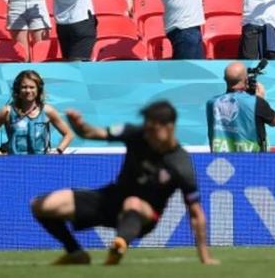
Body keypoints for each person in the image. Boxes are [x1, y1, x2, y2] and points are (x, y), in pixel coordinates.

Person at [31, 100, 215, 266]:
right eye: (147, 128)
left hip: (145, 215)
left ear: (169, 127)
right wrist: (79, 126)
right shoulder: (135, 134)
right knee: (40, 205)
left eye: (153, 130)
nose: (148, 134)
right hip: (111, 198)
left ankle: (119, 245)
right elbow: (92, 133)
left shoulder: (181, 163)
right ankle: (75, 253)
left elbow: (196, 213)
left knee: (132, 202)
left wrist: (204, 256)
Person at [0, 70, 73, 155]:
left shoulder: (47, 111)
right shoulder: (7, 111)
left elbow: (68, 133)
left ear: (38, 89)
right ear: (17, 89)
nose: (28, 91)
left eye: (32, 87)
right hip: (15, 165)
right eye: (24, 87)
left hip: (42, 164)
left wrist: (58, 151)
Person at [207, 60, 275, 152]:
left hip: (222, 161)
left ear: (225, 79)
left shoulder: (211, 103)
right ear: (246, 79)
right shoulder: (256, 102)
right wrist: (261, 100)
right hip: (252, 161)